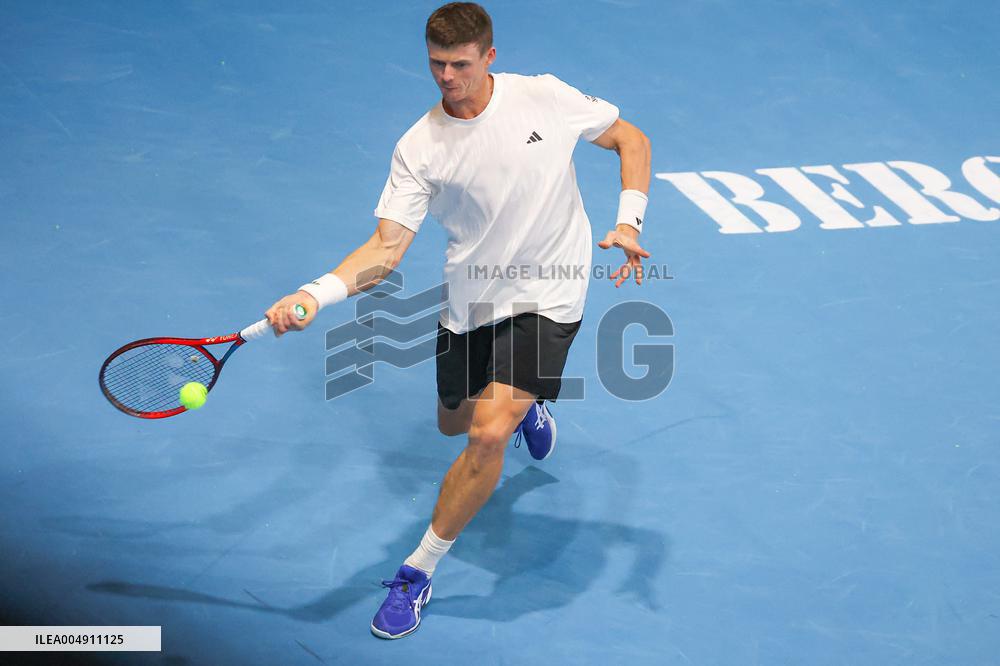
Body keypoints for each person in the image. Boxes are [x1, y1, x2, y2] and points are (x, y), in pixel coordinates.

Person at [264, 1, 651, 639]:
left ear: (489, 57)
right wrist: (315, 294)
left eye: (460, 64)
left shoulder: (544, 97)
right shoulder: (420, 147)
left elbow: (630, 139)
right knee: (454, 425)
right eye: (437, 64)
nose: (447, 77)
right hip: (472, 300)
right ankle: (525, 405)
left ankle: (417, 570)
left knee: (488, 434)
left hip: (552, 290)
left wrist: (629, 219)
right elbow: (385, 251)